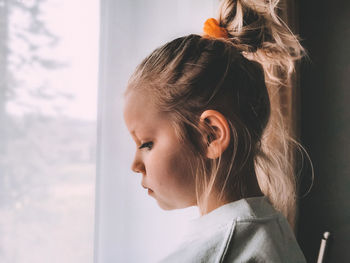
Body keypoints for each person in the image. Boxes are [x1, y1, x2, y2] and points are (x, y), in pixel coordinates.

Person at [123, 0, 307, 262]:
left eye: (146, 144)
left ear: (210, 135)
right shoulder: (271, 229)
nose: (135, 165)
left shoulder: (221, 250)